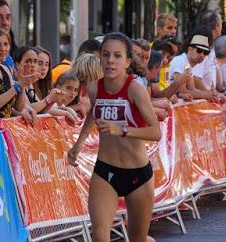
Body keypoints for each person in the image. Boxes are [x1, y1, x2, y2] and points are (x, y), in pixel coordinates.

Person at [68, 32, 161, 242]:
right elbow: (94, 112)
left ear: (127, 61)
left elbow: (156, 132)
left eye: (117, 56)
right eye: (106, 55)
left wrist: (124, 130)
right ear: (100, 57)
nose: (110, 60)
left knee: (139, 239)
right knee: (100, 236)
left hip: (138, 174)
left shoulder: (135, 89)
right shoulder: (94, 88)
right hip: (105, 171)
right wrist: (78, 144)